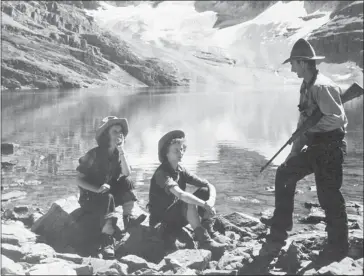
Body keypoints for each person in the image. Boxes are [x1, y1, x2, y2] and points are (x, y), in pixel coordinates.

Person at [260, 38, 349, 265]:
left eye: (293, 64)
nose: (291, 68)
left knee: (328, 197)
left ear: (302, 63)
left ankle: (338, 246)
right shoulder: (305, 86)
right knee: (285, 173)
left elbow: (338, 118)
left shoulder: (323, 86)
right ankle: (281, 227)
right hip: (315, 145)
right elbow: (304, 122)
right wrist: (294, 150)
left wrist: (313, 124)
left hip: (330, 147)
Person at [147, 130, 228, 256]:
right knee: (188, 200)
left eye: (182, 149)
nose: (181, 153)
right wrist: (204, 205)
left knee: (204, 191)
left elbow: (208, 185)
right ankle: (205, 241)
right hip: (162, 222)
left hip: (175, 216)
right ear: (166, 153)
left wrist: (210, 201)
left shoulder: (181, 170)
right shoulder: (162, 174)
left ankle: (207, 229)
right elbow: (181, 195)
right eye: (176, 150)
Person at [75, 116, 146, 259]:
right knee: (108, 197)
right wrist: (97, 189)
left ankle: (128, 218)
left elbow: (126, 173)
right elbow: (78, 179)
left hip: (107, 192)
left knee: (127, 181)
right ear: (105, 134)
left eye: (121, 132)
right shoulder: (93, 154)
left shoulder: (117, 154)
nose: (119, 135)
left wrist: (121, 151)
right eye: (115, 131)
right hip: (91, 197)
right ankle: (106, 239)